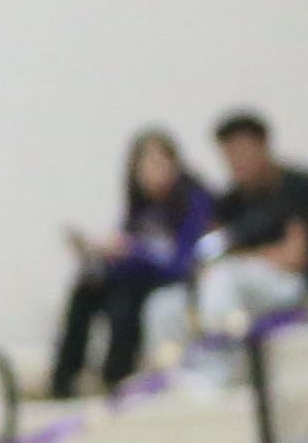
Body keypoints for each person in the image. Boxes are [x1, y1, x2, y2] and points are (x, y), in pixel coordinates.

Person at [49, 127, 217, 395]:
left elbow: (182, 261)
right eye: (145, 163)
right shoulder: (139, 209)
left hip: (171, 282)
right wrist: (101, 254)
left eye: (160, 162)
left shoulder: (194, 202)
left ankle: (116, 377)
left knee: (123, 301)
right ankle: (63, 381)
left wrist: (134, 251)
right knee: (86, 288)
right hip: (137, 277)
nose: (152, 170)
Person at [196, 107, 308, 332]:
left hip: (302, 286)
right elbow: (210, 258)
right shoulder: (228, 202)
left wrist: (244, 258)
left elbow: (296, 257)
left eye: (242, 152)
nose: (236, 162)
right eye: (229, 155)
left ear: (263, 145)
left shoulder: (299, 187)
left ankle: (220, 358)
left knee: (225, 278)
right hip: (248, 291)